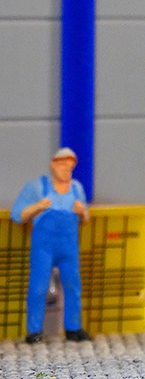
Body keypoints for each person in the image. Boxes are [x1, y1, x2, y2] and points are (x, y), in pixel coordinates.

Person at [11, 147, 91, 343]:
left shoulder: (76, 188)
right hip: (44, 247)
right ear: (53, 165)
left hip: (69, 247)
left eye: (70, 167)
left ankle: (73, 328)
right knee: (38, 287)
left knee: (73, 286)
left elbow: (85, 219)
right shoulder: (37, 187)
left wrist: (83, 213)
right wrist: (38, 206)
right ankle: (34, 330)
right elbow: (18, 215)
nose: (66, 170)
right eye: (63, 165)